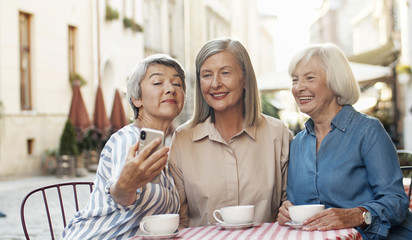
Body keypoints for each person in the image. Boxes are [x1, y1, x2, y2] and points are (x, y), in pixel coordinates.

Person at [277, 43, 412, 239]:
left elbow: (396, 201)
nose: (298, 88)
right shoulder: (297, 143)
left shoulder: (368, 130)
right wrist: (287, 210)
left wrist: (356, 215)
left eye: (310, 78)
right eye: (294, 80)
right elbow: (296, 203)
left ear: (335, 82)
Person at [169, 38, 293, 228]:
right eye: (207, 75)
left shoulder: (278, 134)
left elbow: (289, 208)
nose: (215, 83)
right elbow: (180, 220)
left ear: (245, 79)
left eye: (225, 73)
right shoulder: (183, 139)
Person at [63, 54, 186, 239]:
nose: (170, 89)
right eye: (158, 83)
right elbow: (120, 195)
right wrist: (125, 186)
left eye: (177, 83)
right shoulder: (128, 140)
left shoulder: (166, 148)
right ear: (137, 99)